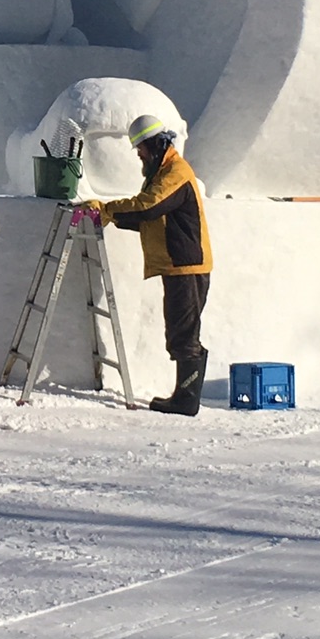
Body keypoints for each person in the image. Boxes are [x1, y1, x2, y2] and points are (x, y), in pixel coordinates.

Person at [82, 114, 213, 417]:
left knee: (184, 331)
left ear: (155, 145)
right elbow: (150, 220)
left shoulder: (175, 174)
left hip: (187, 266)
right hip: (177, 264)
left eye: (140, 148)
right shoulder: (161, 173)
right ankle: (185, 397)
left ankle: (186, 400)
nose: (139, 154)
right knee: (181, 328)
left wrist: (109, 210)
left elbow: (149, 206)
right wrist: (114, 217)